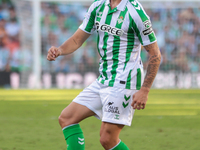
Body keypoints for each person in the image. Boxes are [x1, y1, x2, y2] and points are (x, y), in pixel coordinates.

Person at [47, 0, 161, 149]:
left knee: (107, 139)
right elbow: (77, 39)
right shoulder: (98, 6)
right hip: (104, 79)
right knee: (67, 118)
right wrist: (60, 50)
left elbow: (155, 55)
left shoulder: (136, 13)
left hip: (124, 81)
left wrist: (145, 90)